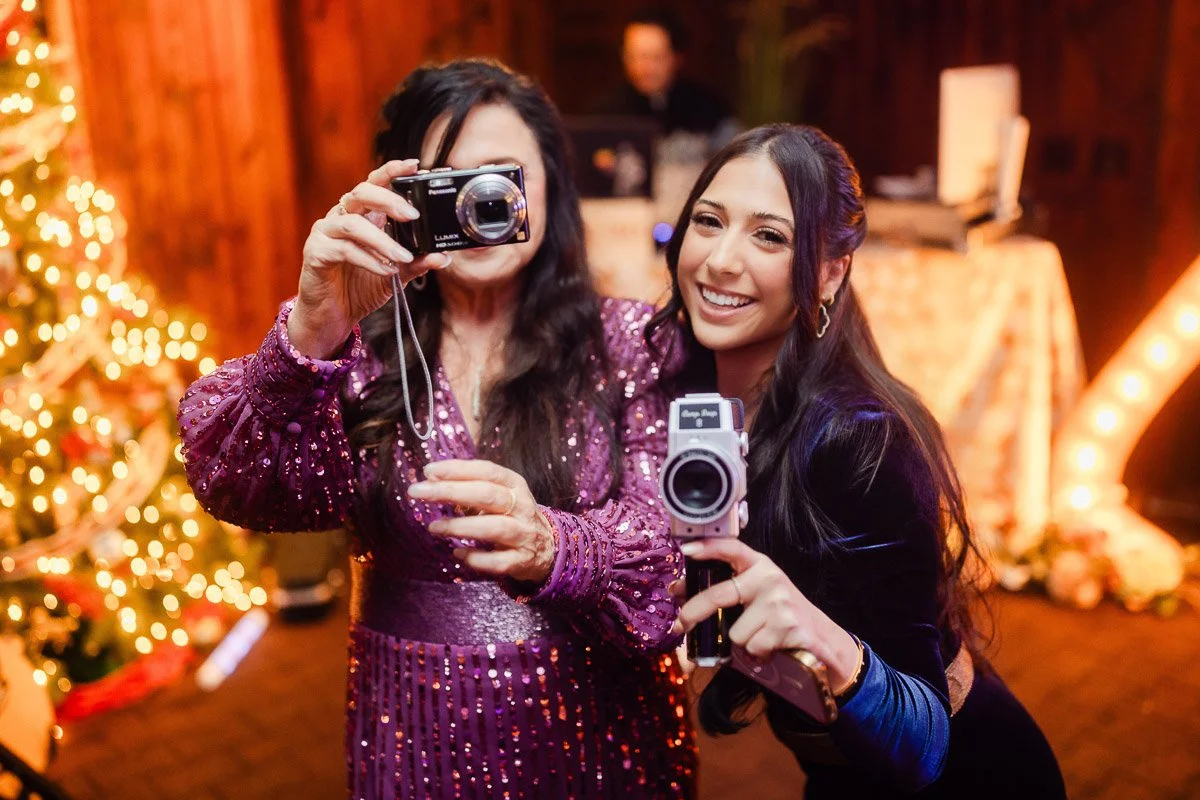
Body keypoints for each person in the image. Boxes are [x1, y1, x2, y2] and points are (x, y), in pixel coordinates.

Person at [178, 59, 695, 799]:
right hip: (413, 734)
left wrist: (559, 547)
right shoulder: (353, 354)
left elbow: (674, 558)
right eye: (450, 181)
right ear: (401, 198)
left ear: (551, 181)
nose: (483, 201)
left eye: (504, 175)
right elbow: (239, 487)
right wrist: (314, 332)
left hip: (603, 738)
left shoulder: (629, 341)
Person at [651, 124, 1066, 798]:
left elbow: (924, 745)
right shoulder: (687, 389)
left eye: (769, 236)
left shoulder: (858, 440)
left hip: (962, 774)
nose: (721, 260)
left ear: (830, 270)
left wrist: (830, 648)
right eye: (708, 221)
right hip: (836, 772)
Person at [593, 7, 737, 146]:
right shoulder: (604, 116)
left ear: (677, 57)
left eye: (656, 57)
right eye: (634, 57)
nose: (644, 68)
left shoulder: (710, 108)